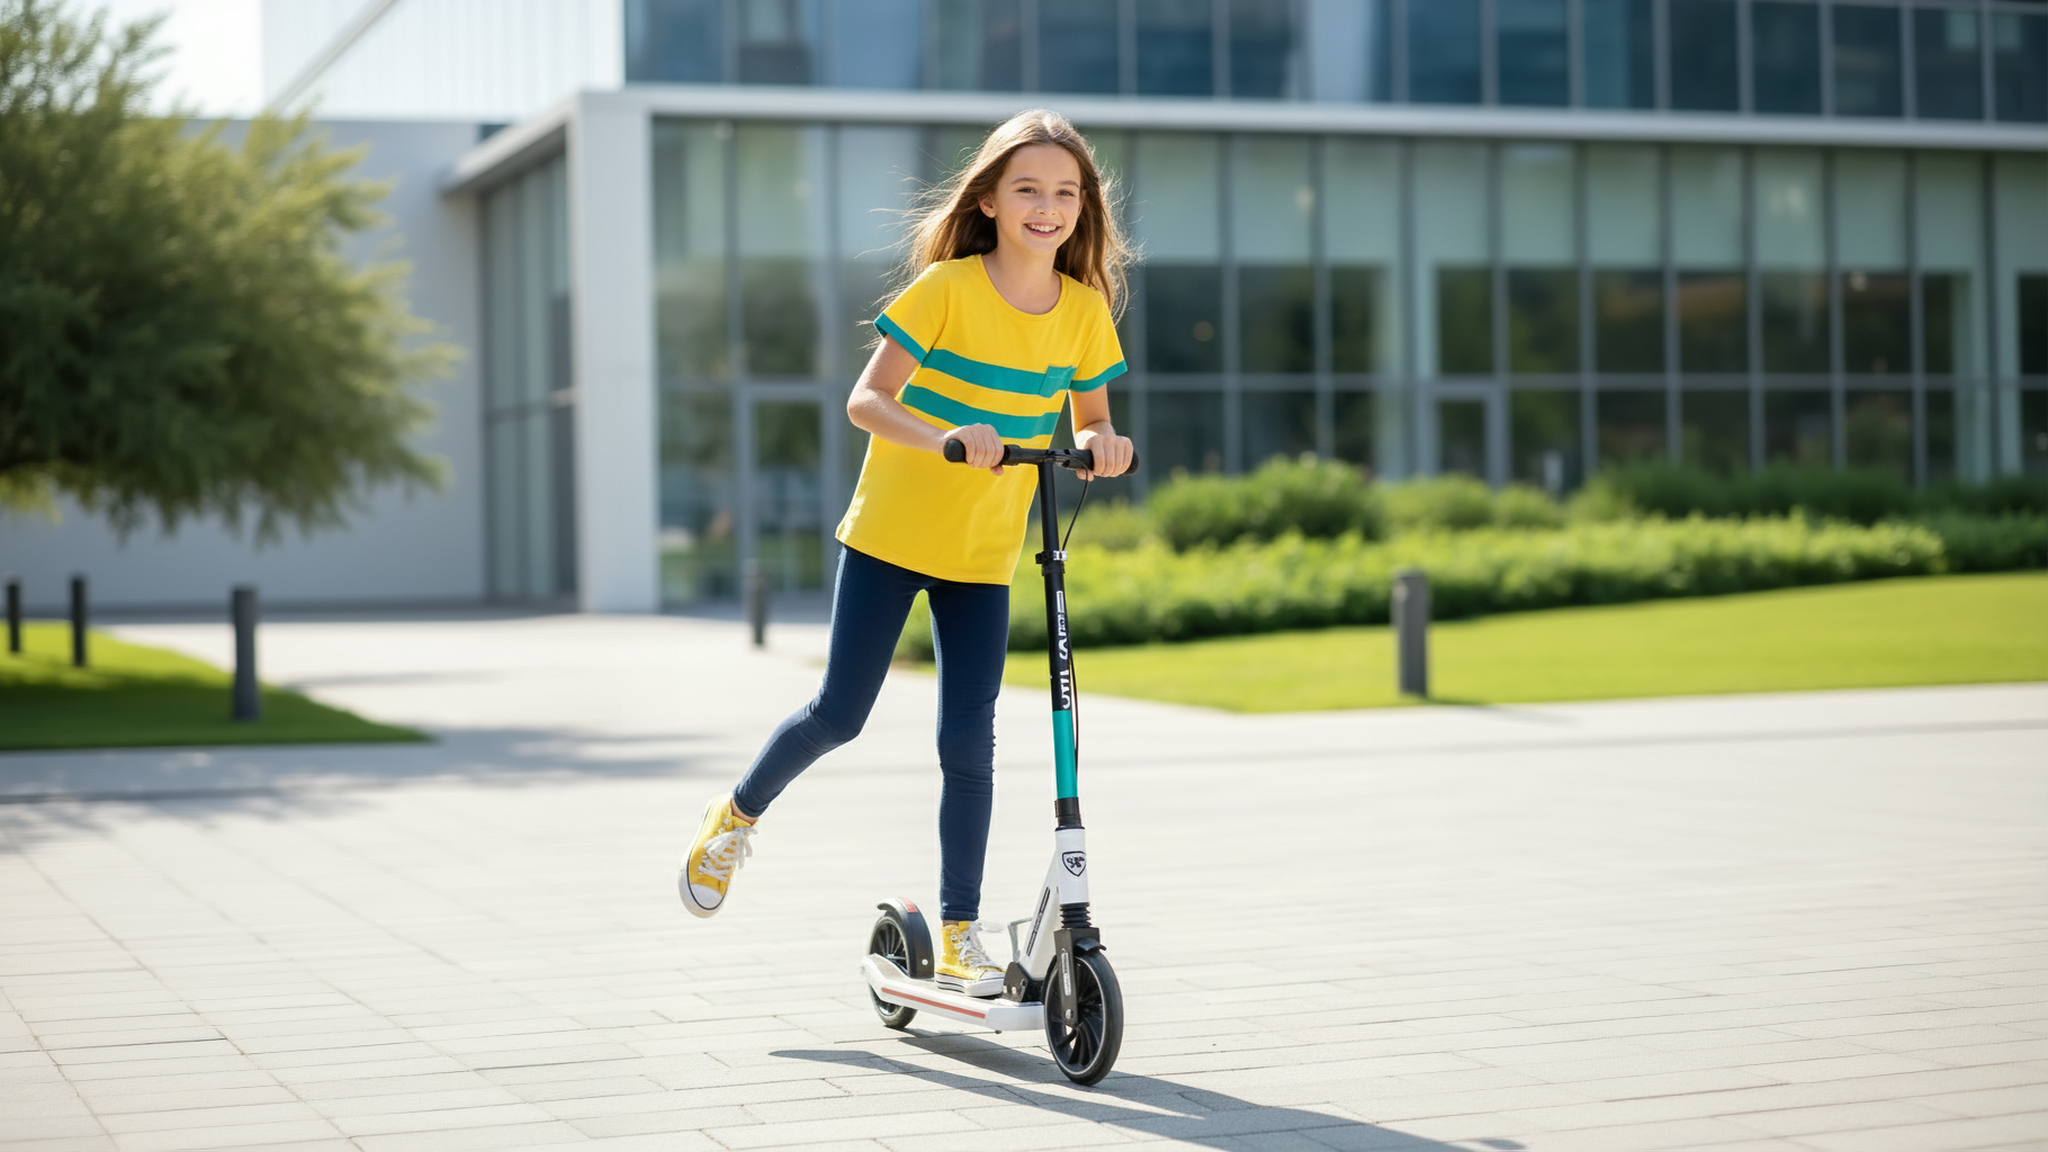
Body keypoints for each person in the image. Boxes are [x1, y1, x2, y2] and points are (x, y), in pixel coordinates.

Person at [678, 109, 1135, 997]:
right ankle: (733, 816)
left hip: (984, 551)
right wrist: (946, 437)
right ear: (993, 201)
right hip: (892, 533)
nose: (1048, 207)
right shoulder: (947, 289)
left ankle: (960, 931)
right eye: (1029, 190)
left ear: (1084, 208)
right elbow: (865, 401)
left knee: (971, 745)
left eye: (1065, 193)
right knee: (839, 714)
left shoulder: (1082, 311)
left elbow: (1093, 420)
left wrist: (1107, 444)